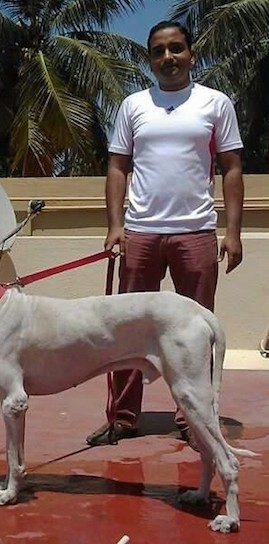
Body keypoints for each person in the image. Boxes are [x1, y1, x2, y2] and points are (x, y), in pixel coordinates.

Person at [86, 20, 244, 449]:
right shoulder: (134, 105)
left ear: (191, 54)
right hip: (140, 233)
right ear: (150, 59)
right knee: (123, 330)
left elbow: (231, 167)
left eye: (176, 48)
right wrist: (115, 226)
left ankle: (192, 418)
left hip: (195, 231)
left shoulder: (215, 103)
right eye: (159, 50)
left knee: (195, 331)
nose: (168, 57)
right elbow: (118, 167)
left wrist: (232, 232)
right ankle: (122, 417)